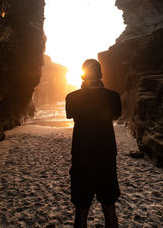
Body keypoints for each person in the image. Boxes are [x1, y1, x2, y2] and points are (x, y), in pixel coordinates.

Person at [65, 59, 122, 228]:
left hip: (82, 158)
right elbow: (116, 115)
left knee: (81, 211)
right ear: (101, 75)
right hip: (106, 157)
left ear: (83, 76)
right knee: (109, 208)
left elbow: (70, 115)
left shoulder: (72, 97)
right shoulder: (113, 96)